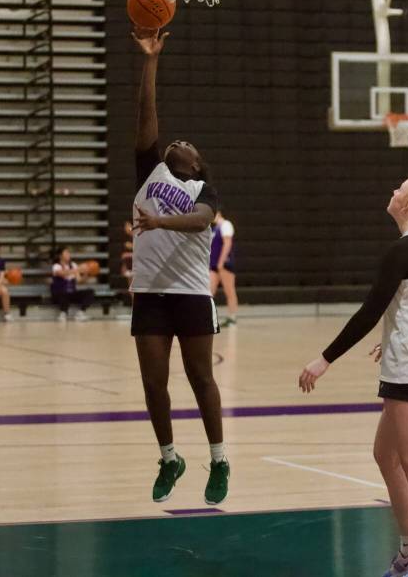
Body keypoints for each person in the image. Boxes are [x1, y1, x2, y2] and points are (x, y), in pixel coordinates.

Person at [298, 174, 408, 577]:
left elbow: (369, 310)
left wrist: (325, 359)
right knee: (385, 455)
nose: (392, 192)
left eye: (398, 189)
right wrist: (396, 337)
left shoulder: (405, 249)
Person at [130, 28, 229, 506]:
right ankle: (170, 457)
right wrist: (150, 60)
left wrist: (160, 220)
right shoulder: (150, 169)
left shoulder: (203, 191)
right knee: (154, 382)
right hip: (149, 293)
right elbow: (146, 115)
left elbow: (201, 222)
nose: (179, 140)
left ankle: (219, 457)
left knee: (200, 379)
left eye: (188, 145)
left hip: (191, 295)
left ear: (195, 166)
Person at [209, 210, 238, 326]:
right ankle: (208, 318)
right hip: (213, 265)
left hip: (224, 264)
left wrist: (221, 261)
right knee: (209, 292)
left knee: (229, 290)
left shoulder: (226, 225)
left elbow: (227, 244)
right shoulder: (214, 229)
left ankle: (232, 317)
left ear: (218, 213)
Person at [50, 247, 95, 321]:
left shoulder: (73, 265)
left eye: (69, 253)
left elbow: (79, 280)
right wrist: (79, 269)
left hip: (71, 293)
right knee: (62, 293)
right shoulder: (56, 266)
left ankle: (81, 313)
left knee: (90, 292)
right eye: (66, 253)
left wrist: (87, 273)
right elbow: (61, 273)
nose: (69, 254)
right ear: (60, 256)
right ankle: (63, 313)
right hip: (59, 293)